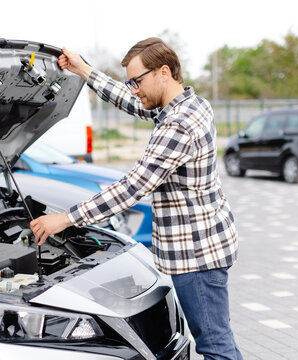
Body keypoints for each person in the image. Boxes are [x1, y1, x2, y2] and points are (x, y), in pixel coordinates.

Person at [30, 38, 243, 360]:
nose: (133, 90)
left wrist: (65, 218)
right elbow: (130, 102)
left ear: (164, 72)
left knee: (216, 347)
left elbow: (133, 187)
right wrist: (82, 69)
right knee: (215, 341)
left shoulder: (179, 125)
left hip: (197, 256)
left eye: (137, 81)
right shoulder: (191, 104)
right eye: (130, 82)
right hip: (207, 245)